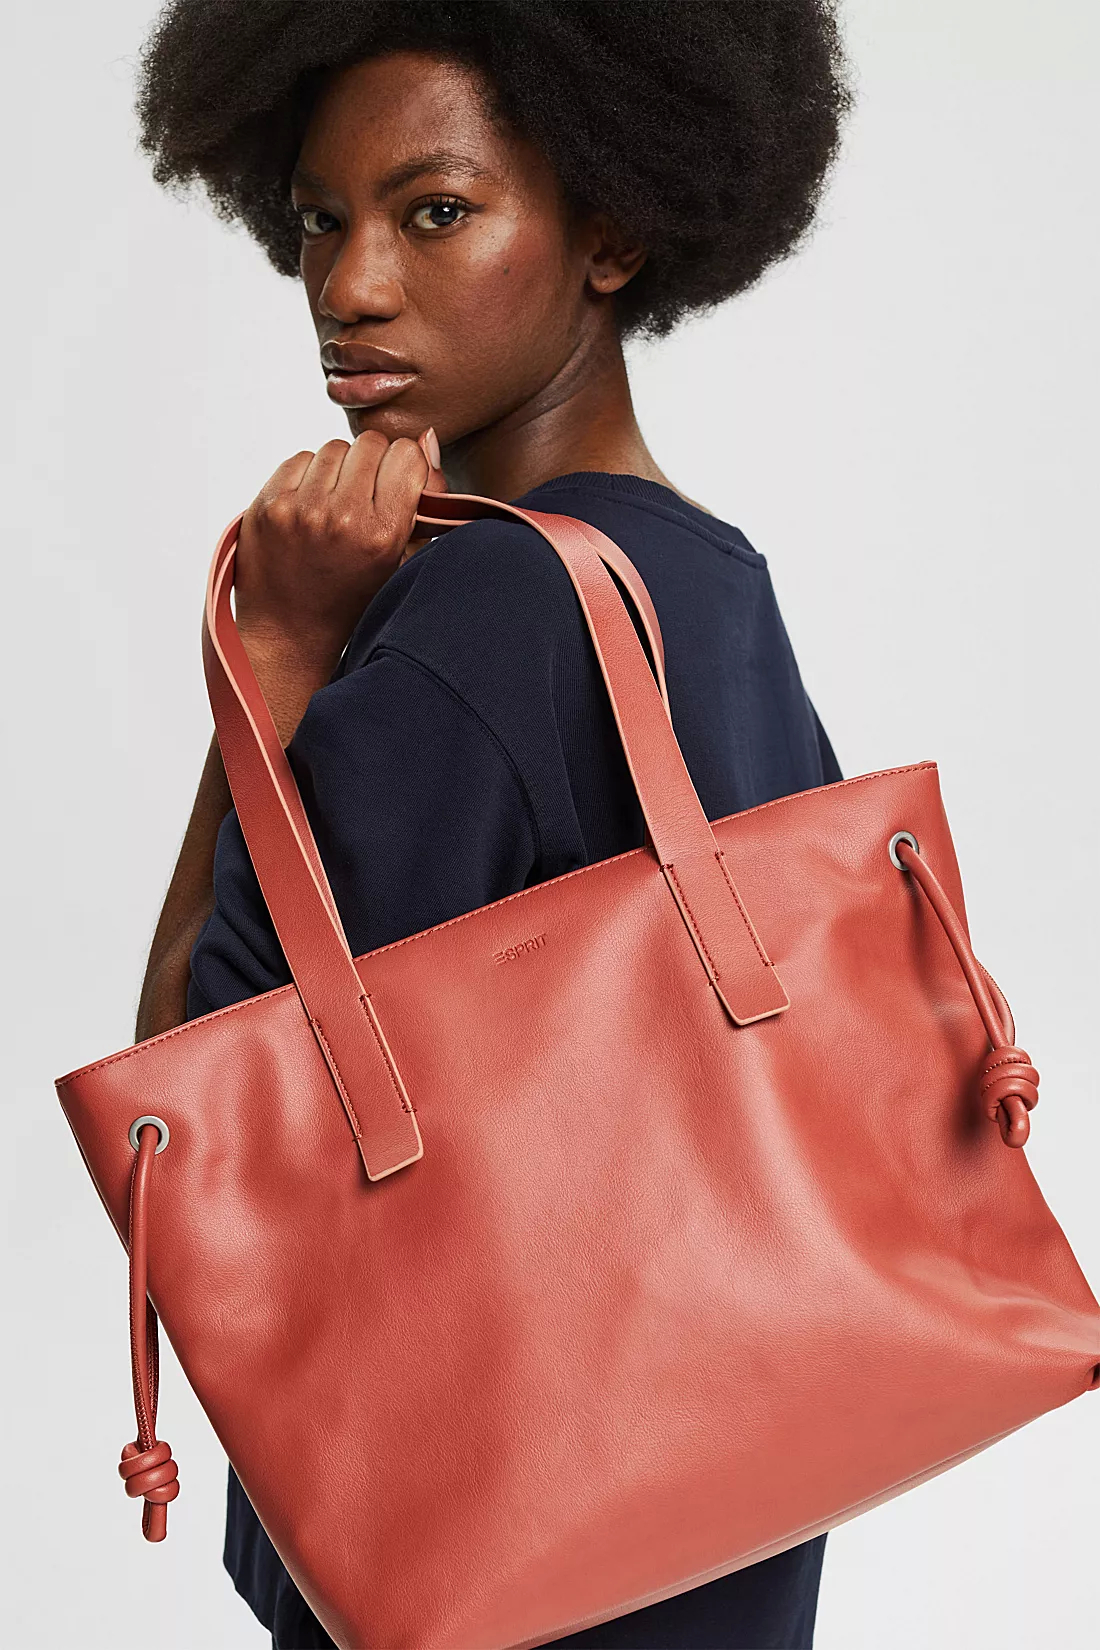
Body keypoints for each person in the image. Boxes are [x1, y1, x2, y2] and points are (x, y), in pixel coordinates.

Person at [133, 4, 849, 1646]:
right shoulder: (709, 580)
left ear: (611, 230)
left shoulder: (483, 617)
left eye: (434, 211)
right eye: (321, 221)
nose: (350, 285)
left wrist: (273, 659)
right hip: (730, 1520)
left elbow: (188, 1142)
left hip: (499, 1563)